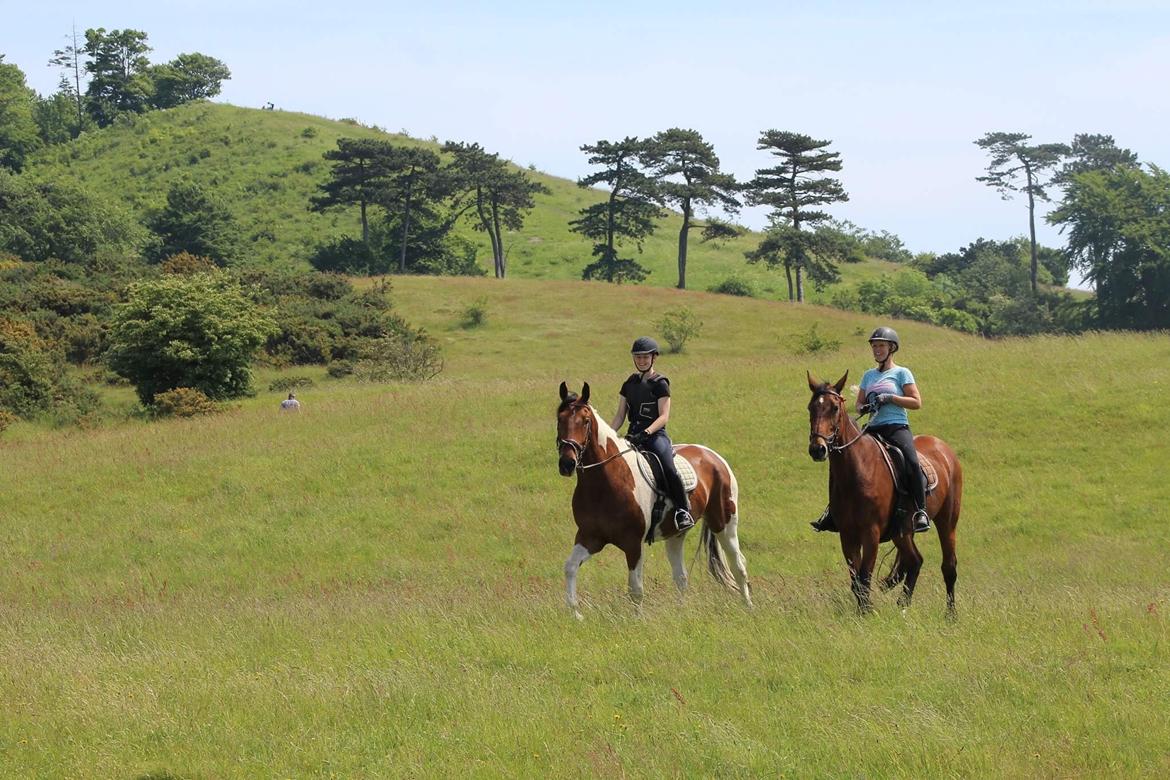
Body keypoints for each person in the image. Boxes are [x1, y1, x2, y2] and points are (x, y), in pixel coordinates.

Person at [811, 326, 930, 534]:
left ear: (891, 348)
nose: (877, 350)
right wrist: (865, 406)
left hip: (896, 427)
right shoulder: (868, 376)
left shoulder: (902, 373)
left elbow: (916, 402)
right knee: (840, 460)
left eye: (881, 346)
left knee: (911, 460)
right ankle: (833, 511)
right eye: (874, 346)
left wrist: (890, 398)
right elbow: (858, 404)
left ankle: (920, 511)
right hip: (873, 429)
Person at [610, 336, 695, 533]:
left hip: (655, 436)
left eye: (645, 357)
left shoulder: (660, 383)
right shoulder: (628, 384)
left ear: (653, 358)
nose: (641, 361)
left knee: (668, 467)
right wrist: (608, 435)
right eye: (638, 357)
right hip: (632, 437)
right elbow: (619, 416)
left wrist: (646, 432)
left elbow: (664, 416)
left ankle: (682, 511)